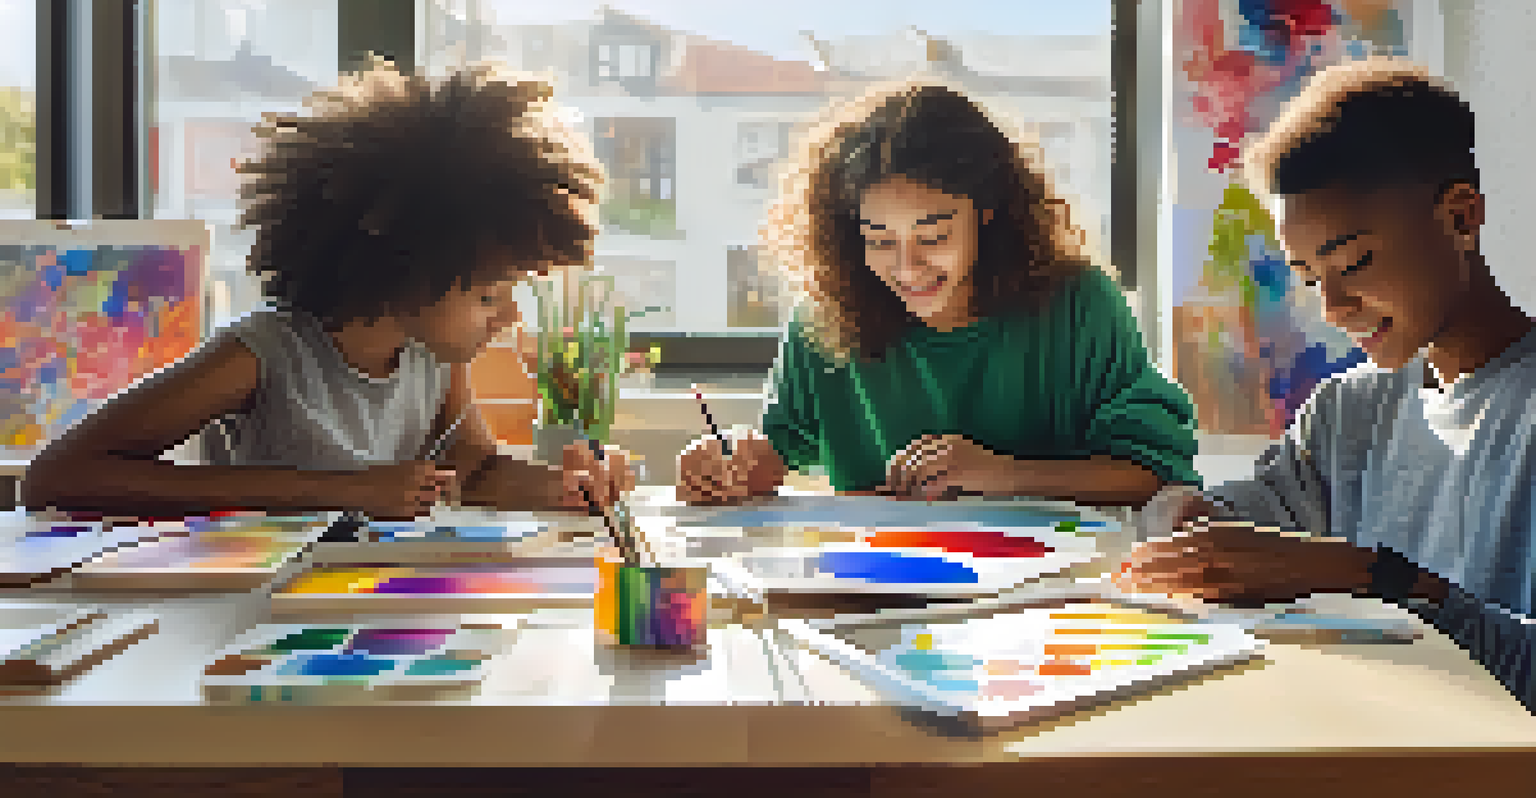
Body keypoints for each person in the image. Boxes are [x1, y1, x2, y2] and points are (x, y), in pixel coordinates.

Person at [22, 58, 633, 519]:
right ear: (405, 272)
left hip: (351, 601)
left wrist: (562, 486)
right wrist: (344, 491)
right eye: (489, 296)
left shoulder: (431, 355)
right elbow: (55, 478)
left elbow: (471, 469)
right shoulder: (264, 354)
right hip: (245, 615)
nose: (508, 319)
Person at [1115, 59, 1536, 710]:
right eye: (1311, 278)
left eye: (1354, 262)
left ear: (1460, 218)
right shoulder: (1347, 409)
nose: (1333, 308)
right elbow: (1243, 519)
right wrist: (1184, 519)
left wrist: (1375, 578)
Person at [677, 83, 1199, 507]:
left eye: (933, 237)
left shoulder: (1079, 304)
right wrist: (731, 465)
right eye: (880, 240)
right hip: (876, 582)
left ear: (987, 212)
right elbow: (779, 448)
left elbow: (1154, 472)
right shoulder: (827, 313)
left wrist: (1003, 474)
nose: (907, 268)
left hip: (1050, 589)